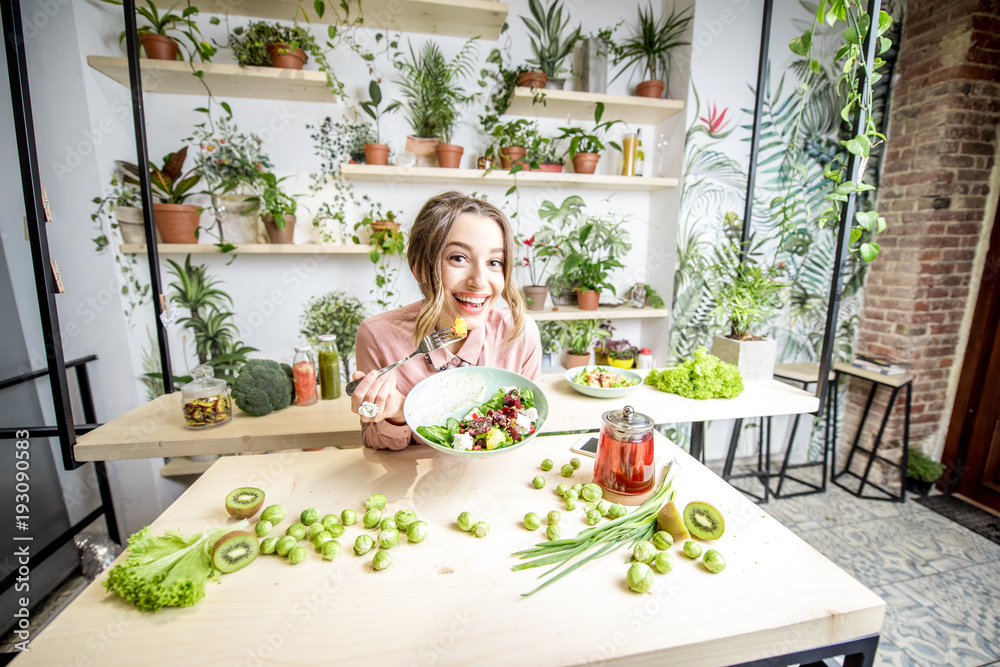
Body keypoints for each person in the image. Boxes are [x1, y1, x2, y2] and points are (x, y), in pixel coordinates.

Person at [350, 191, 542, 450]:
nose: (480, 281)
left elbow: (529, 426)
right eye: (458, 258)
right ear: (420, 268)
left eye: (495, 262)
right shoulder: (378, 337)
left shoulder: (520, 335)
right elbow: (373, 440)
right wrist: (397, 413)